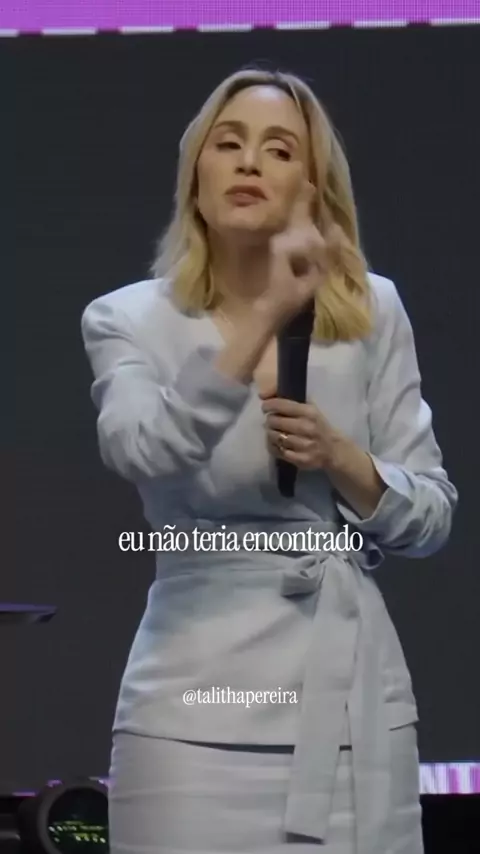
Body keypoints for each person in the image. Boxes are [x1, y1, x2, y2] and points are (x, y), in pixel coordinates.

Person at [81, 68, 458, 854]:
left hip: (351, 704)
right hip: (192, 707)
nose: (249, 162)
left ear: (312, 188)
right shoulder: (126, 318)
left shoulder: (373, 310)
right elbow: (143, 447)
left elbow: (429, 516)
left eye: (279, 149)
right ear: (197, 173)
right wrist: (263, 317)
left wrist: (343, 458)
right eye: (229, 144)